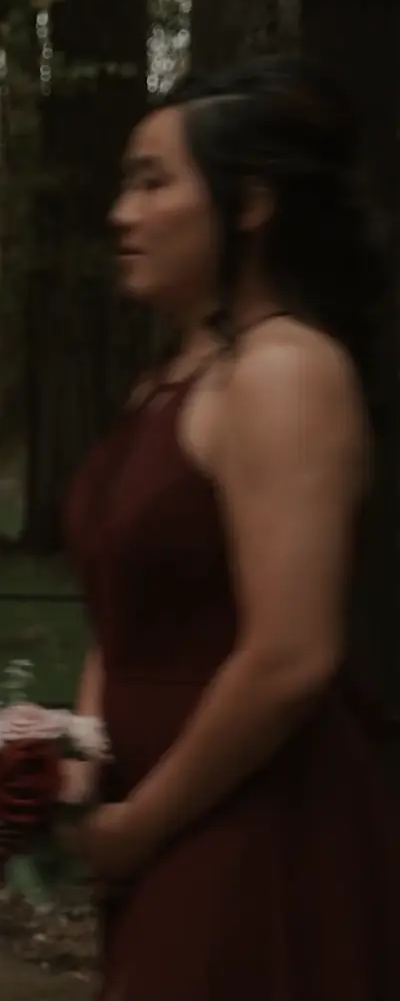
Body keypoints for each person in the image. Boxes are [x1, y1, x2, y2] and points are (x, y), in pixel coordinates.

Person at [62, 58, 400, 999]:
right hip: (151, 818)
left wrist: (139, 827)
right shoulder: (165, 383)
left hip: (253, 822)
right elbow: (119, 620)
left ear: (249, 203)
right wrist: (77, 764)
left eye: (152, 183)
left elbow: (291, 655)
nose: (121, 215)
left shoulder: (286, 371)